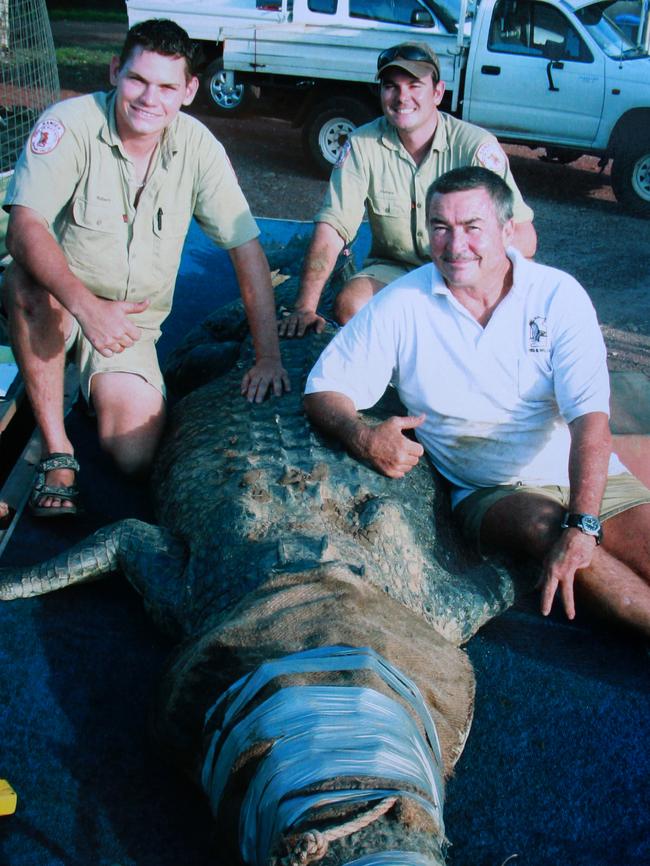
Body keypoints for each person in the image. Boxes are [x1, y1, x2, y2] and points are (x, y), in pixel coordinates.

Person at [304, 166, 650, 636]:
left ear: (508, 231)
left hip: (579, 467)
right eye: (440, 227)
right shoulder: (403, 303)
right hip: (490, 490)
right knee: (545, 528)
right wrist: (361, 435)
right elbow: (324, 387)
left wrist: (585, 523)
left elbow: (590, 420)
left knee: (631, 536)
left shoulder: (557, 296)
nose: (454, 243)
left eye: (472, 227)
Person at [2, 19, 289, 517]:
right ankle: (56, 448)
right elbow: (24, 227)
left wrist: (268, 357)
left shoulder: (199, 149)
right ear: (116, 71)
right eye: (137, 79)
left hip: (130, 325)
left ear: (190, 90)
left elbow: (247, 252)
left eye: (166, 86)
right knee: (24, 280)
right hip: (61, 300)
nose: (148, 98)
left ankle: (87, 380)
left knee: (135, 456)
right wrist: (87, 307)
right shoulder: (69, 123)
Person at [280, 41, 537, 338]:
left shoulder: (475, 147)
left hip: (464, 270)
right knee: (352, 305)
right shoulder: (362, 145)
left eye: (415, 85)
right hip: (395, 270)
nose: (402, 98)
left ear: (438, 92)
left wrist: (471, 280)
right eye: (391, 86)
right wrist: (305, 306)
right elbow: (333, 226)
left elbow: (524, 238)